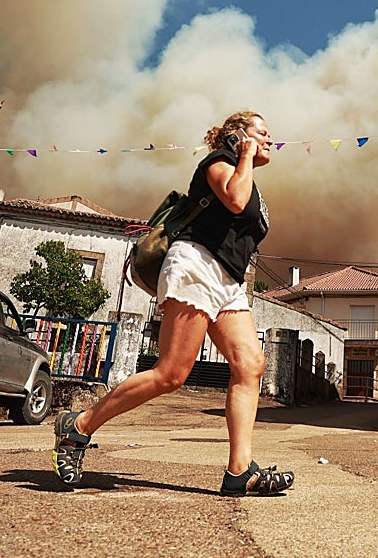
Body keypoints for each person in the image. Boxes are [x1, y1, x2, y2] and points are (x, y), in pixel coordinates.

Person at [52, 110, 295, 496]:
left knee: (250, 365)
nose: (269, 139)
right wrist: (243, 154)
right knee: (171, 374)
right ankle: (78, 425)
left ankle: (239, 471)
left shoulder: (248, 179)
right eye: (261, 132)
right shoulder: (220, 162)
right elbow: (233, 200)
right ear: (237, 136)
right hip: (196, 264)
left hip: (228, 280)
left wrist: (248, 161)